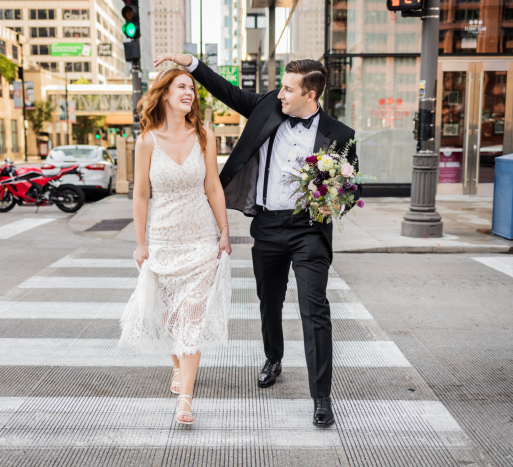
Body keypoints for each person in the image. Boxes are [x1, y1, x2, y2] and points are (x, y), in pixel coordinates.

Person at [153, 53, 361, 427]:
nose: (280, 92)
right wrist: (193, 65)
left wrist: (331, 205)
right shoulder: (268, 107)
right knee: (269, 301)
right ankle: (273, 357)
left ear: (310, 94)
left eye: (288, 88)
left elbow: (348, 187)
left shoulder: (340, 135)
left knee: (315, 309)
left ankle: (322, 396)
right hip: (266, 225)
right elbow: (227, 91)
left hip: (308, 231)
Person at [118, 68, 232, 425]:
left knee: (191, 319)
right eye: (181, 86)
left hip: (200, 240)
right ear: (165, 94)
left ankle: (186, 398)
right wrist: (140, 243)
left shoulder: (204, 135)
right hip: (163, 239)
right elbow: (140, 195)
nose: (189, 93)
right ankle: (177, 368)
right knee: (170, 317)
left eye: (192, 89)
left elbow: (213, 185)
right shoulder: (147, 140)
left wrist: (224, 232)